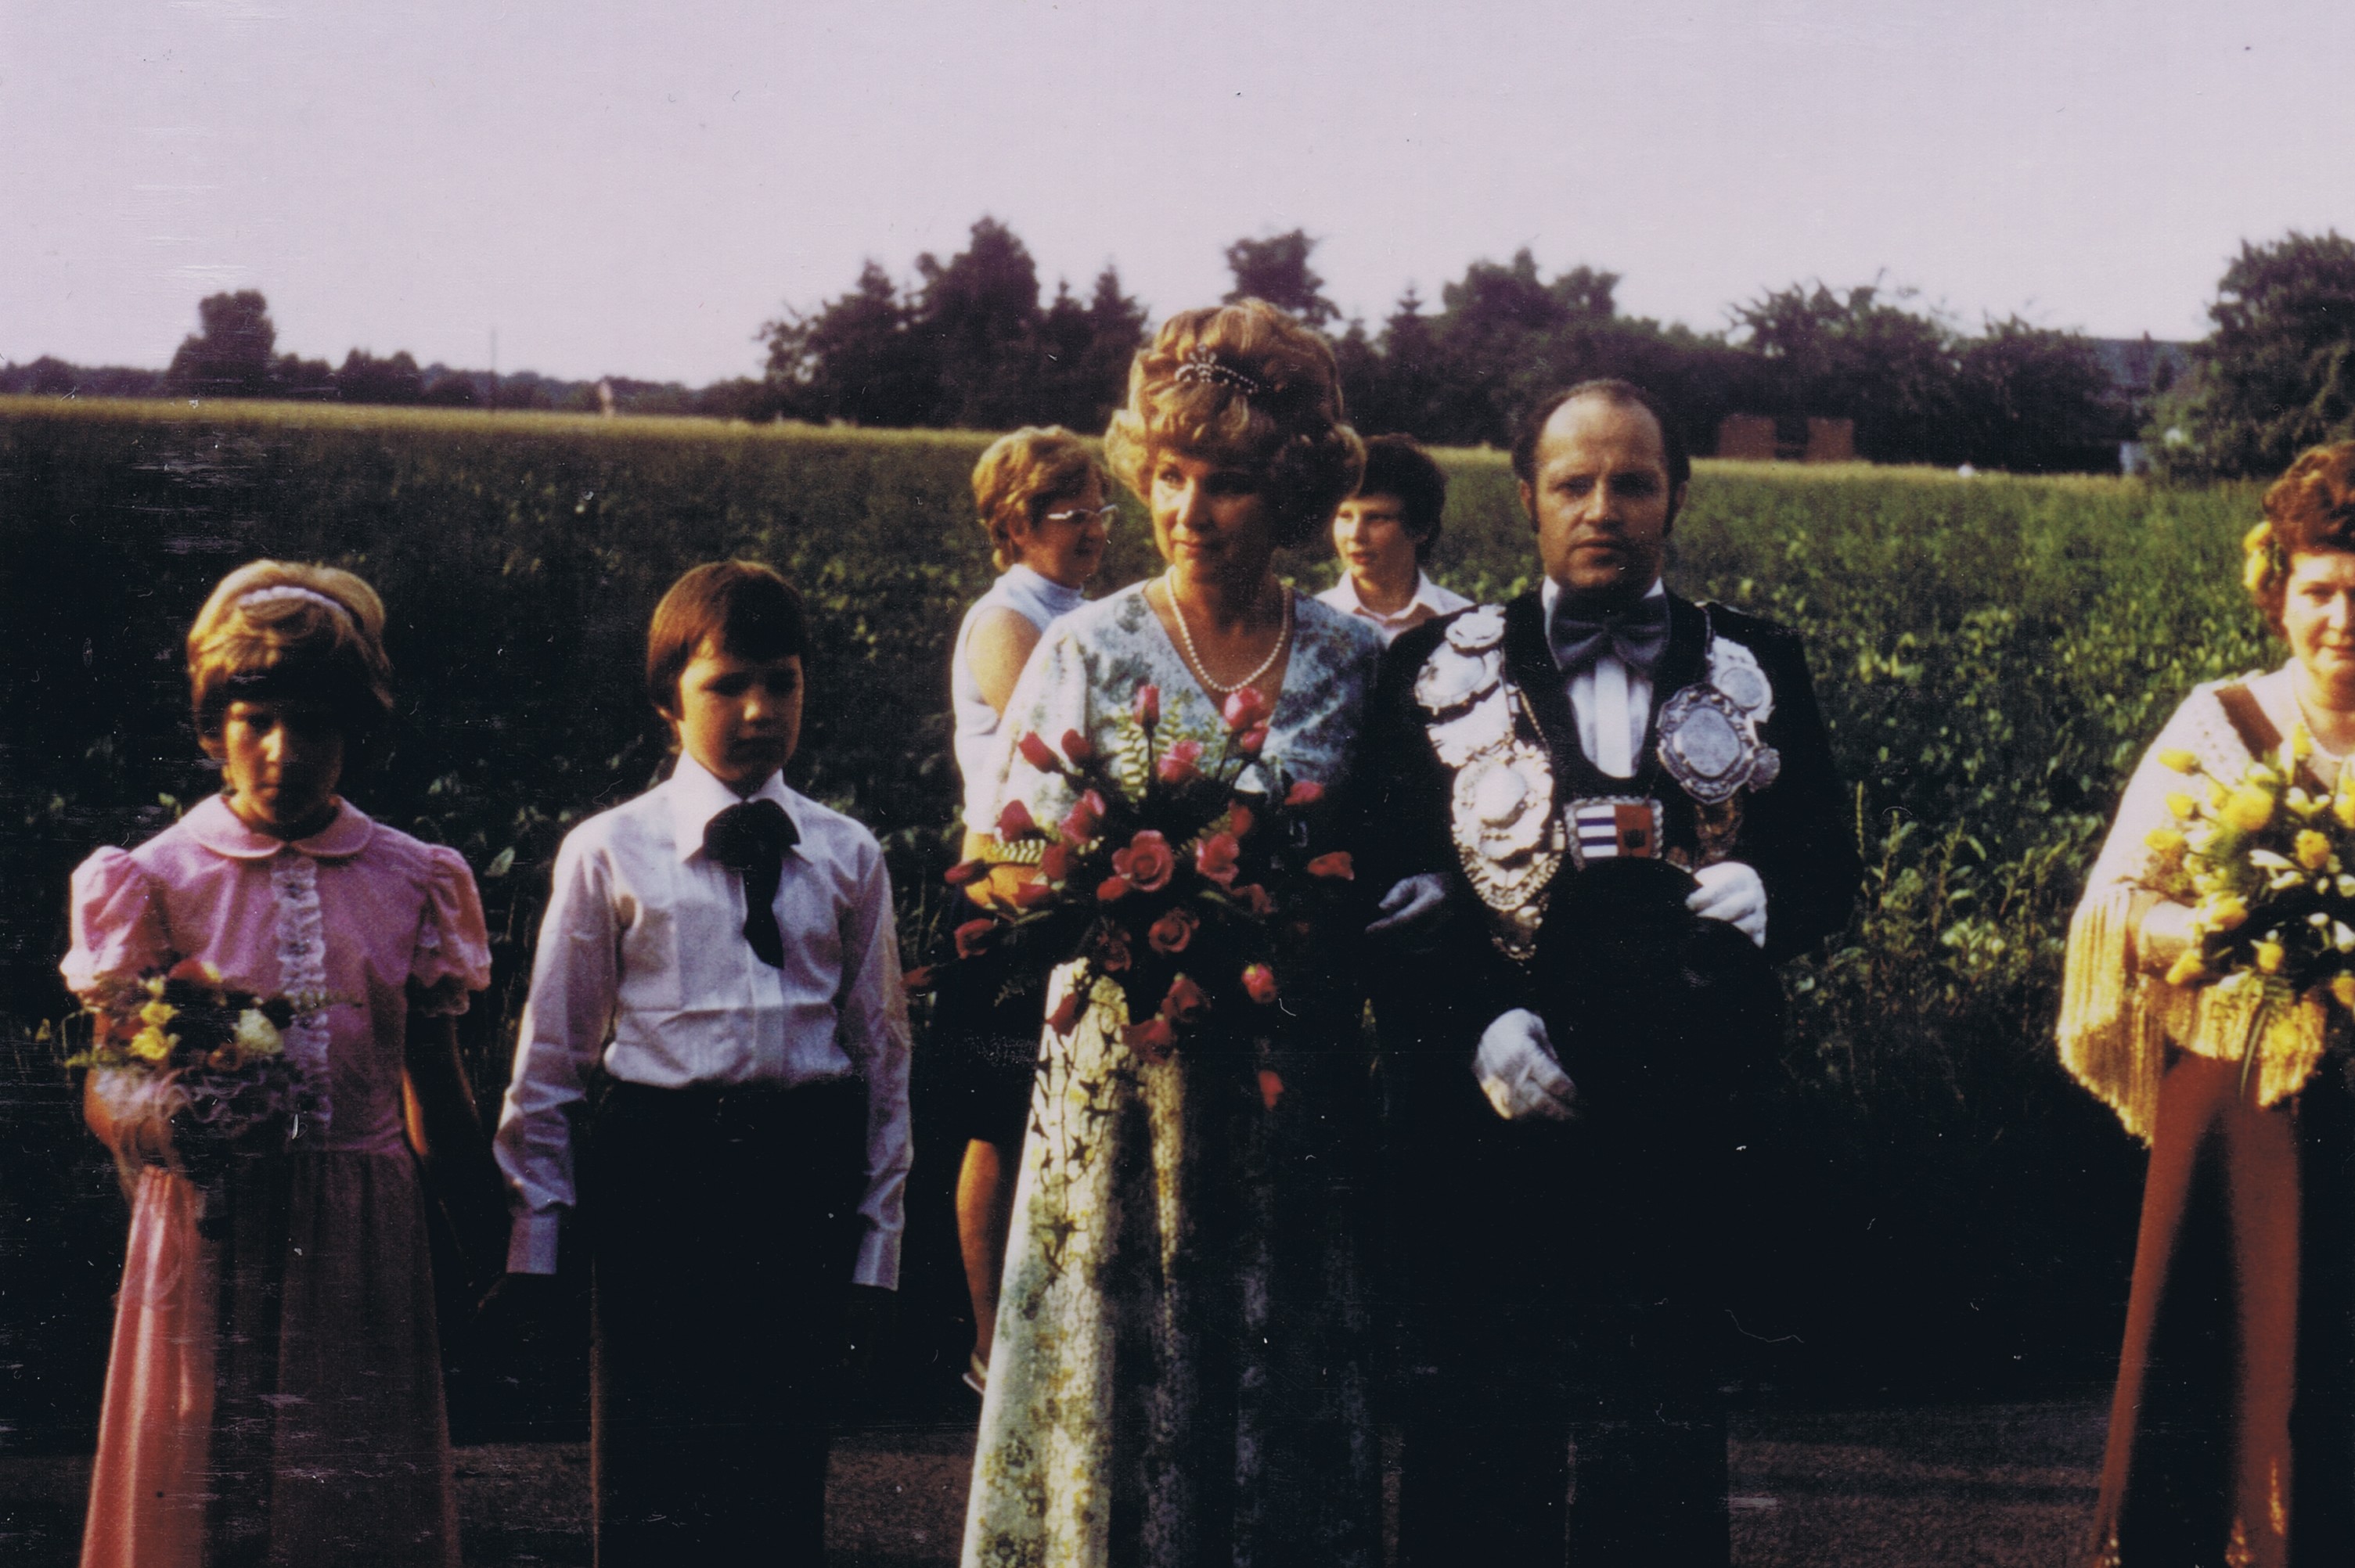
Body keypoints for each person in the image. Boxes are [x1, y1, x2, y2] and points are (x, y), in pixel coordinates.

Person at [1364, 379, 1859, 1566]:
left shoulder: (1758, 659)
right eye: (1574, 483)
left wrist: (1772, 895)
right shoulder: (1428, 666)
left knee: (1662, 1435)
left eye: (1632, 483)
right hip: (1483, 1122)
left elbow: (1829, 867)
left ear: (1675, 496)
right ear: (1525, 499)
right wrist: (1474, 1023)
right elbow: (1379, 883)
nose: (1602, 509)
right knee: (1477, 1438)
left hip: (1680, 1120)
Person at [960, 299, 1387, 1568]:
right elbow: (992, 874)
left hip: (1283, 1095)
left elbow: (1382, 874)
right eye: (1167, 474)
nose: (1187, 510)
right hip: (1117, 1094)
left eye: (1227, 482)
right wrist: (1093, 891)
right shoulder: (1084, 650)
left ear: (1293, 491)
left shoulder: (1355, 663)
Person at [64, 559, 491, 1568]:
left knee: (344, 1503)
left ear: (357, 731)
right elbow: (107, 1082)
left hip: (360, 1236)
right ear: (214, 729)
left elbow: (432, 1084)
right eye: (256, 721)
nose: (284, 751)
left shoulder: (412, 877)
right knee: (208, 1491)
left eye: (316, 725)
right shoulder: (155, 879)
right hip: (209, 1233)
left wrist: (487, 1229)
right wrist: (172, 1118)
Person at [492, 561, 913, 1565]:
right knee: (653, 1469)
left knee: (778, 1473)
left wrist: (879, 1242)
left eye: (782, 682)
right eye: (727, 685)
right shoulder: (610, 851)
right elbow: (551, 1058)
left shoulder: (847, 855)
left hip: (799, 1175)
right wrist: (536, 1241)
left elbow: (883, 1056)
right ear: (667, 701)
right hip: (660, 1177)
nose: (760, 710)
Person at [2060, 441, 2355, 1568]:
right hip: (2238, 1112)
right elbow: (2117, 901)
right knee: (2211, 1374)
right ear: (2278, 591)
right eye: (2319, 591)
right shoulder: (2218, 722)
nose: (2341, 621)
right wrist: (2203, 932)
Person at [942, 426, 1114, 1394]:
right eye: (1068, 511)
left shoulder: (1081, 610)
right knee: (1000, 1121)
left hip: (1073, 885)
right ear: (1014, 524)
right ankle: (989, 1347)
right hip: (1007, 888)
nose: (1092, 528)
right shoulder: (1007, 620)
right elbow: (1064, 754)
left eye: (1099, 508)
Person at [1316, 432, 1471, 642]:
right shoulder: (1306, 625)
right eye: (1344, 516)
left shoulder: (1467, 624)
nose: (1355, 535)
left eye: (1376, 518)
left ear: (1422, 528)